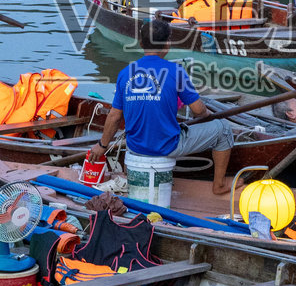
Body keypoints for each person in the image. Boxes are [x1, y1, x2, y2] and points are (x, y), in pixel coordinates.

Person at [93, 19, 233, 195]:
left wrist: (102, 145)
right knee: (223, 129)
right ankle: (219, 185)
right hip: (167, 146)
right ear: (167, 44)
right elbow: (199, 111)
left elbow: (114, 116)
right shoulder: (176, 71)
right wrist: (210, 115)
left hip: (135, 146)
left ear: (141, 43)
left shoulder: (125, 73)